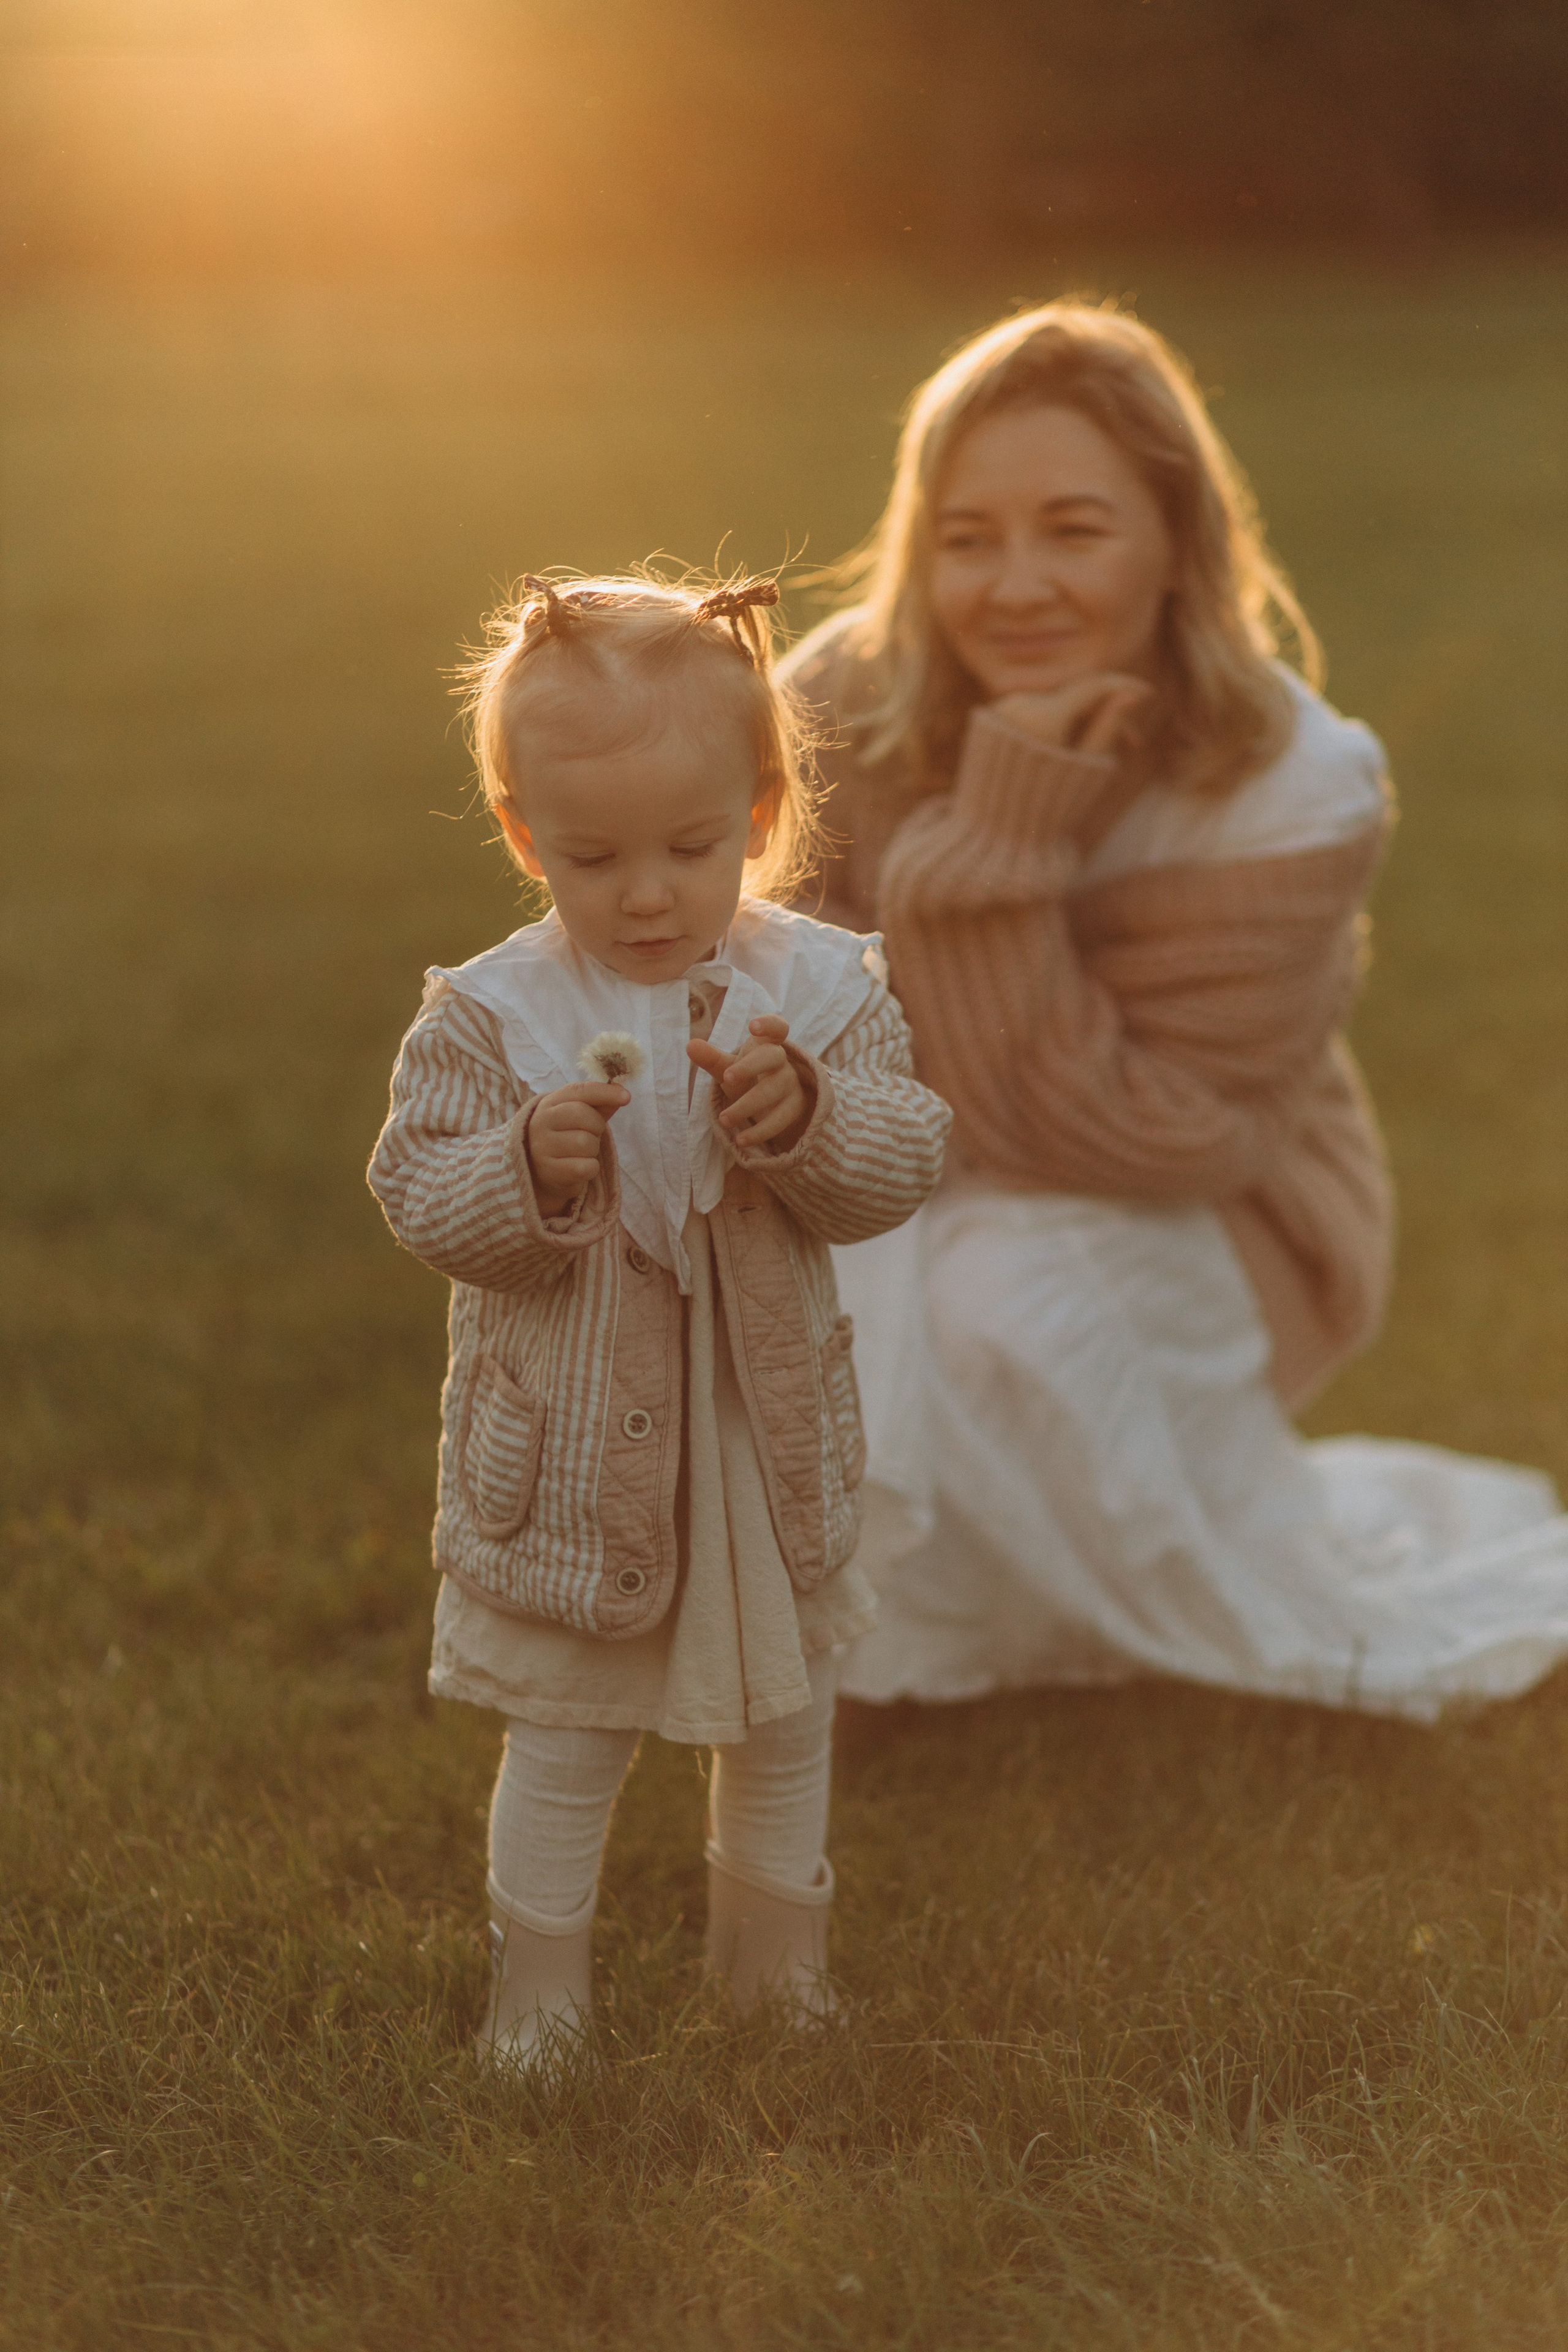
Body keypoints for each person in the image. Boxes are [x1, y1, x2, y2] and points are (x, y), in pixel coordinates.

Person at [780, 300, 1568, 1722]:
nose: (1015, 585)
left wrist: (998, 842)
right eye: (967, 539)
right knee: (803, 1271)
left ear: (1173, 540)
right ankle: (898, 1613)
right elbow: (772, 1014)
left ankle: (1037, 1617)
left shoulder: (1289, 783)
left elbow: (1156, 1138)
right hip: (914, 1165)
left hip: (1220, 1214)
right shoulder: (836, 705)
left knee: (993, 1296)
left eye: (1073, 530)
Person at [368, 572, 950, 2065]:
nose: (643, 894)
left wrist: (809, 1119)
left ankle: (772, 1973)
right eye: (591, 856)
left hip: (757, 1446)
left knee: (784, 1717)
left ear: (757, 815)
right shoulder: (492, 1019)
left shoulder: (814, 993)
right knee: (569, 1727)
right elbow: (419, 1194)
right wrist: (523, 1168)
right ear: (524, 840)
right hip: (578, 1461)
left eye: (688, 849)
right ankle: (537, 2000)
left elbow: (902, 1160)